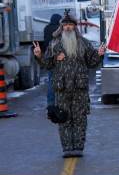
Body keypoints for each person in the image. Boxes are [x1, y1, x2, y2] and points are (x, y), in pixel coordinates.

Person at [33, 11, 106, 158]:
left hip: (80, 88)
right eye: (65, 25)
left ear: (75, 27)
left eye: (70, 25)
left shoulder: (84, 43)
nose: (67, 27)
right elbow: (47, 65)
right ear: (61, 27)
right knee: (64, 118)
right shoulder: (54, 44)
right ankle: (67, 148)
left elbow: (92, 63)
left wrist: (99, 54)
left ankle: (78, 147)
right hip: (62, 88)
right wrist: (39, 55)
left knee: (80, 118)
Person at [43, 13, 62, 106]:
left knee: (51, 80)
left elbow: (45, 42)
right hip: (59, 57)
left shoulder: (46, 28)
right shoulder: (59, 29)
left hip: (49, 57)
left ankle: (50, 103)